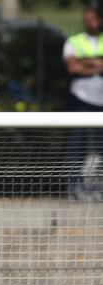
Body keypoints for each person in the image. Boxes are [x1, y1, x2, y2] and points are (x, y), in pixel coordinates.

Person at [64, 6, 103, 198]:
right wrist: (98, 65)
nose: (90, 23)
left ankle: (97, 188)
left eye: (93, 19)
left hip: (101, 101)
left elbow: (80, 64)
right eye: (86, 19)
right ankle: (71, 187)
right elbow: (73, 68)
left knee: (99, 146)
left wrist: (87, 62)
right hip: (80, 99)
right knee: (75, 143)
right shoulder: (74, 42)